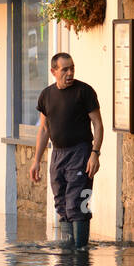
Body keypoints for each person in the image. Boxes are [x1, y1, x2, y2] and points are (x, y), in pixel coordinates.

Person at [28, 52, 104, 248]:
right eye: (65, 69)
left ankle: (80, 254)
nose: (70, 73)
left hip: (81, 152)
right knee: (61, 201)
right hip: (58, 154)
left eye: (72, 68)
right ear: (53, 71)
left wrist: (95, 154)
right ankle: (67, 251)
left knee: (77, 202)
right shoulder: (46, 95)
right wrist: (37, 160)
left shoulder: (84, 91)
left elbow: (98, 124)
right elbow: (44, 129)